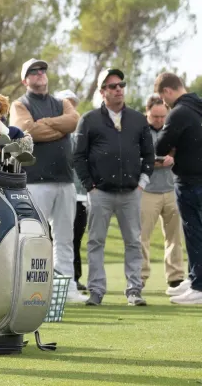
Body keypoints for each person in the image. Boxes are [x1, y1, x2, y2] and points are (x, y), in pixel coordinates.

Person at [73, 68, 153, 307]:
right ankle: (96, 291)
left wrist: (142, 184)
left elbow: (149, 155)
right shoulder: (89, 119)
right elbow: (79, 157)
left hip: (131, 193)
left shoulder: (138, 119)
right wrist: (90, 187)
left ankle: (134, 291)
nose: (118, 89)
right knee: (96, 242)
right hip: (100, 194)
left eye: (121, 84)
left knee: (133, 242)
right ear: (102, 92)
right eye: (112, 86)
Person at [9, 59, 85, 303]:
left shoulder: (61, 102)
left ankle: (67, 289)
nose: (40, 74)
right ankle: (32, 290)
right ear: (25, 79)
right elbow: (27, 131)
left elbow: (73, 121)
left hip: (65, 181)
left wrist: (46, 125)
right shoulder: (20, 104)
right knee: (34, 239)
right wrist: (58, 128)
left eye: (42, 70)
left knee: (64, 239)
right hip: (34, 181)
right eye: (34, 71)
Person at [154, 72, 202, 304]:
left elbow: (161, 145)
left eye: (163, 98)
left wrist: (171, 148)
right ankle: (195, 279)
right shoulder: (198, 106)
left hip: (190, 181)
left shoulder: (179, 113)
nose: (164, 103)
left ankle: (199, 286)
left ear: (167, 92)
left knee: (194, 234)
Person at [140, 94, 185, 293]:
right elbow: (139, 158)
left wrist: (170, 158)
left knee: (174, 236)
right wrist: (158, 161)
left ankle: (175, 278)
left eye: (162, 116)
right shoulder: (140, 132)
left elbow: (180, 152)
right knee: (142, 237)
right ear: (147, 113)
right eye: (155, 116)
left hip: (172, 189)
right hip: (147, 191)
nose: (159, 120)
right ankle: (139, 277)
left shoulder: (173, 128)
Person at [55, 89, 88, 292]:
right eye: (66, 103)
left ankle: (74, 279)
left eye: (72, 103)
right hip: (57, 193)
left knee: (74, 240)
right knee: (57, 240)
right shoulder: (53, 135)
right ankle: (56, 280)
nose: (70, 107)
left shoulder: (80, 134)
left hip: (80, 196)